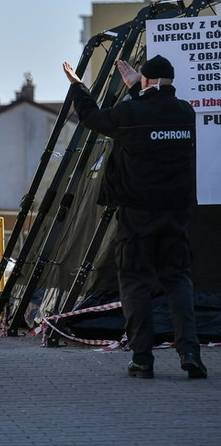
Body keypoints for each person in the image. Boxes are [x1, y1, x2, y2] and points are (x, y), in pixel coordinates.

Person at [63, 55, 206, 379]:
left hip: (137, 218)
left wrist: (78, 86)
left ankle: (142, 359)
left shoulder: (131, 114)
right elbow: (152, 115)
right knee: (178, 282)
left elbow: (93, 119)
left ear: (146, 81)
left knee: (135, 284)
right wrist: (137, 89)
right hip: (175, 216)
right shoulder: (185, 113)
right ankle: (190, 353)